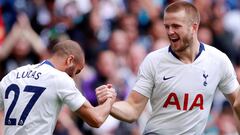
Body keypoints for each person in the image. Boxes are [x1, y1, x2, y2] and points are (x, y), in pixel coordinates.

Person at [96, 1, 240, 135]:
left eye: (176, 26)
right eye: (167, 26)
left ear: (194, 27)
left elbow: (236, 101)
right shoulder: (154, 61)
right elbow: (133, 109)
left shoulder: (218, 60)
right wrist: (110, 104)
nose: (170, 32)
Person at [0, 40, 116, 135]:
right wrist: (110, 98)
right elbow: (96, 119)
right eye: (77, 71)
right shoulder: (60, 78)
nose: (74, 76)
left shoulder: (12, 75)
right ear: (70, 60)